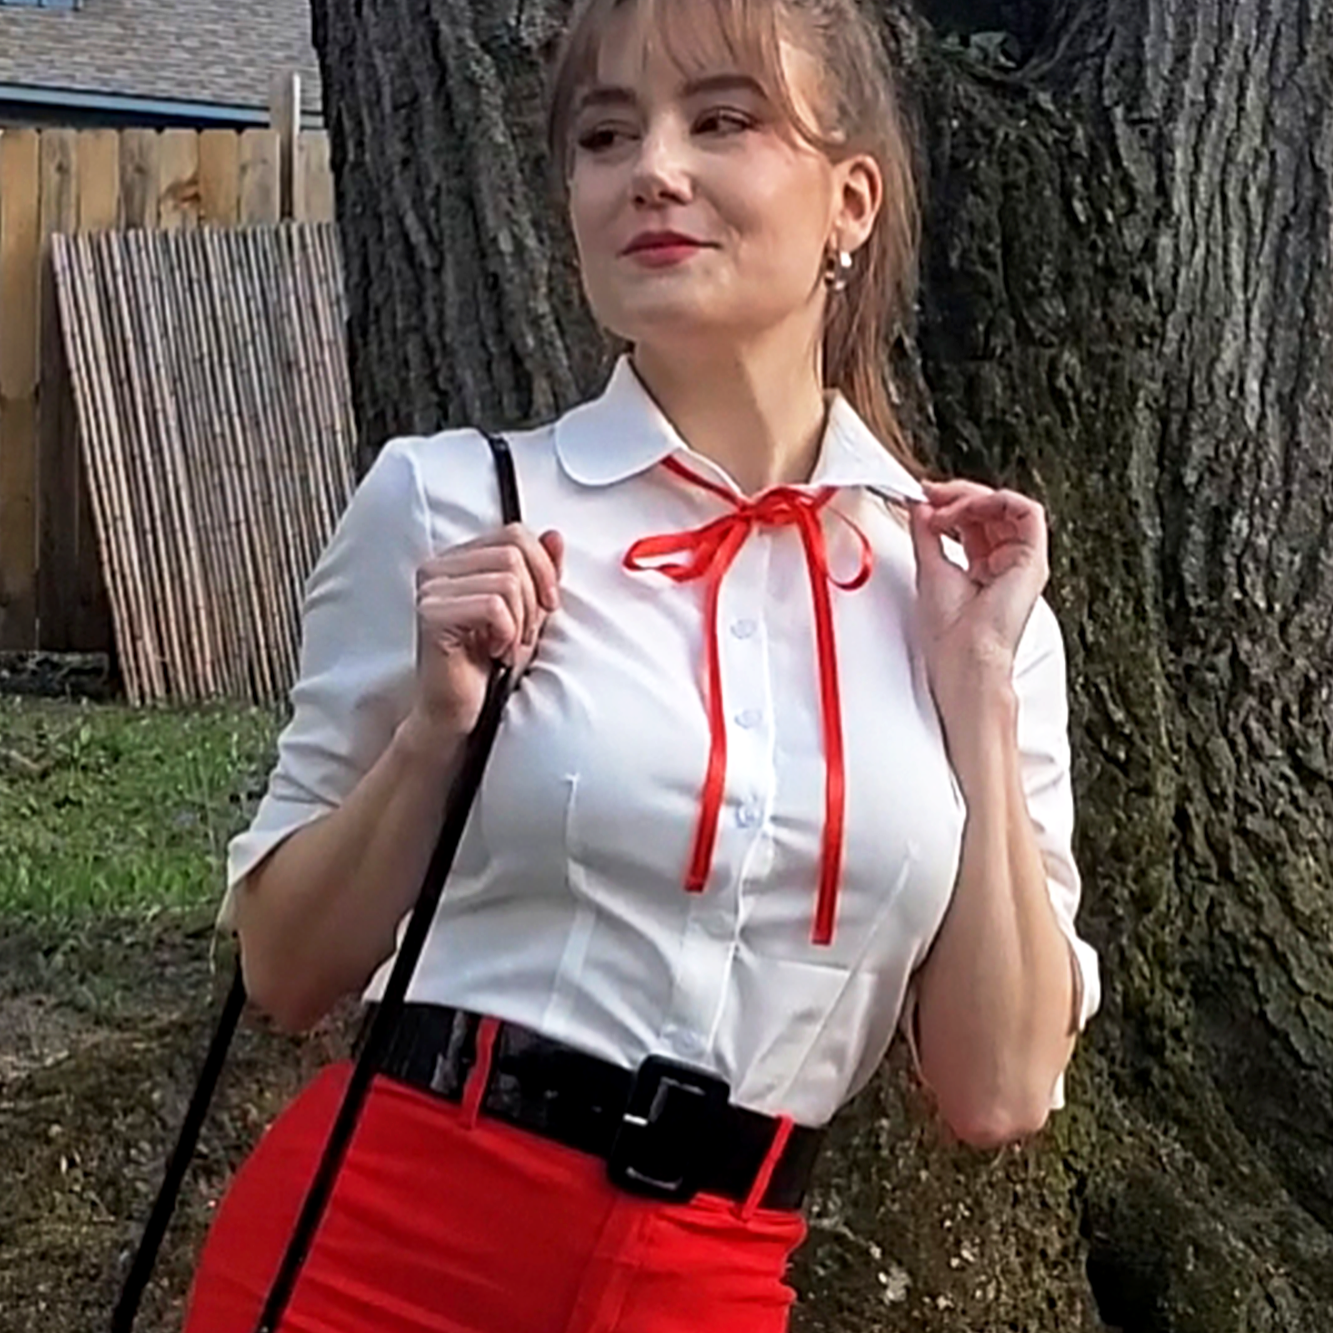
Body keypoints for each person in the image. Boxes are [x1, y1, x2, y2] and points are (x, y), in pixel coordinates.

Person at [182, 0, 1100, 1328]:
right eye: (607, 137)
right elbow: (285, 968)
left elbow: (998, 1090)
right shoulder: (455, 505)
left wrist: (978, 699)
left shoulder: (966, 601)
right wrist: (433, 737)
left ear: (850, 201)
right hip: (376, 1253)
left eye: (721, 120)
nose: (652, 170)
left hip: (708, 1280)